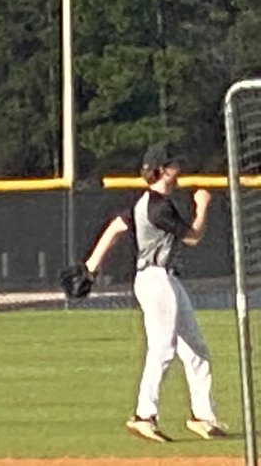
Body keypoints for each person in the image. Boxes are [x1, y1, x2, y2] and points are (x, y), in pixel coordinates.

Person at [83, 141, 227, 442]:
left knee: (196, 349)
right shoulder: (158, 206)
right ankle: (143, 415)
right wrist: (202, 207)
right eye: (174, 165)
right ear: (162, 171)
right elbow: (193, 238)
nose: (179, 169)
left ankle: (202, 416)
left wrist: (91, 267)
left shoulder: (142, 203)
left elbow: (115, 228)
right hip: (155, 279)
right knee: (163, 348)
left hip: (165, 279)